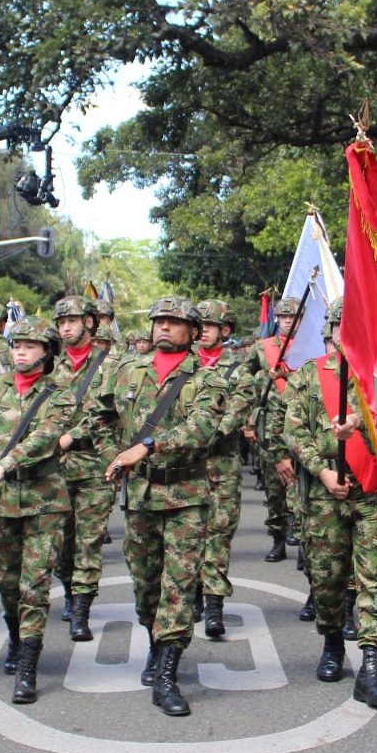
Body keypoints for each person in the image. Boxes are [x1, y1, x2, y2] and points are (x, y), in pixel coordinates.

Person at [97, 296, 226, 716]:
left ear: (193, 332)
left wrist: (147, 445)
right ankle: (155, 643)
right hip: (140, 495)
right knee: (146, 583)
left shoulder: (206, 379)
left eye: (174, 322)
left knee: (179, 583)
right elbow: (100, 417)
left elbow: (202, 427)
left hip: (186, 496)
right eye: (159, 322)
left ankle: (168, 672)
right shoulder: (126, 372)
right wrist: (106, 453)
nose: (164, 328)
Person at [283, 297, 377, 709]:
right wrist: (324, 470)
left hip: (374, 494)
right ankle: (332, 642)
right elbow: (293, 431)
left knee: (376, 581)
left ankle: (371, 666)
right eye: (342, 328)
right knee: (327, 580)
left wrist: (363, 426)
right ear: (330, 332)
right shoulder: (308, 376)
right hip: (324, 492)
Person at [0, 317, 74, 704]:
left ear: (47, 352)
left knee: (34, 586)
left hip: (43, 501)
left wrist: (2, 465)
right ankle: (16, 636)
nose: (21, 351)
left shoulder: (59, 395)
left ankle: (28, 664)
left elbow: (45, 438)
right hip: (0, 505)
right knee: (7, 583)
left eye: (30, 345)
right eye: (17, 344)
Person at [48, 295, 118, 640]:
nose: (65, 328)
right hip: (55, 468)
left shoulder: (111, 365)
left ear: (89, 323)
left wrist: (73, 435)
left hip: (94, 465)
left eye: (72, 321)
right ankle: (69, 590)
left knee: (88, 542)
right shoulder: (50, 365)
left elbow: (108, 414)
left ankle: (81, 609)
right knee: (61, 541)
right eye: (61, 322)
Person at [194, 299, 250, 637]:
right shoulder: (182, 368)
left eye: (209, 327)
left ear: (224, 331)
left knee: (218, 533)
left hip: (221, 464)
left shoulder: (239, 370)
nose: (201, 333)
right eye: (197, 326)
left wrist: (198, 436)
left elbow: (236, 413)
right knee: (186, 535)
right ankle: (190, 597)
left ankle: (214, 603)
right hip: (183, 466)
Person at [249, 296, 303, 566]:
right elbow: (248, 383)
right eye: (283, 317)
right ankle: (278, 539)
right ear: (277, 320)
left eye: (293, 318)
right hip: (271, 430)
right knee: (274, 490)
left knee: (303, 486)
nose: (288, 321)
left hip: (304, 428)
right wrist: (249, 422)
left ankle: (303, 538)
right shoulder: (263, 348)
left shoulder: (311, 348)